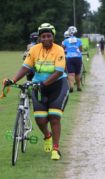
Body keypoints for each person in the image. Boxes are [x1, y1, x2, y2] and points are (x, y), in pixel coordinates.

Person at [4, 23, 69, 160]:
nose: (46, 39)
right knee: (40, 119)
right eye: (43, 36)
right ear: (39, 38)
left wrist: (43, 83)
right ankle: (47, 136)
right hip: (38, 86)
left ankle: (55, 149)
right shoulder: (34, 50)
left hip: (57, 86)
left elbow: (59, 72)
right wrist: (13, 80)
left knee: (54, 117)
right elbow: (25, 67)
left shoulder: (59, 50)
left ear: (53, 37)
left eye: (49, 36)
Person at [62, 26, 83, 92]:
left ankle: (71, 86)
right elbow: (81, 49)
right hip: (78, 57)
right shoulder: (79, 40)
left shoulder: (65, 41)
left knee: (71, 73)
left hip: (69, 57)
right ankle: (79, 87)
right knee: (77, 73)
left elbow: (61, 49)